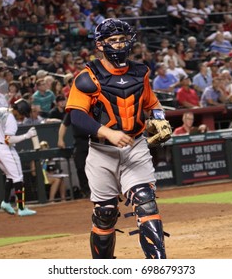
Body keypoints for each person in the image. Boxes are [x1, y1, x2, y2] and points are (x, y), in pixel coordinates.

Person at [66, 18, 170, 259]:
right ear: (100, 45)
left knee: (145, 201)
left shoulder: (140, 72)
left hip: (135, 146)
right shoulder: (87, 76)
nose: (119, 45)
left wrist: (159, 117)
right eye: (113, 40)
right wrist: (108, 132)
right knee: (105, 213)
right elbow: (77, 117)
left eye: (123, 39)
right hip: (102, 152)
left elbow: (151, 102)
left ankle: (159, 265)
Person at [0, 99, 37, 216]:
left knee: (10, 176)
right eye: (22, 114)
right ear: (18, 110)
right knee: (18, 177)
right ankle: (21, 208)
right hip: (6, 149)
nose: (22, 117)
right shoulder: (11, 120)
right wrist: (27, 136)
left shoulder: (0, 110)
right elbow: (8, 140)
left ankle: (5, 202)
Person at [57, 113, 90, 198]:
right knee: (80, 166)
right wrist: (60, 139)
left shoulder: (93, 106)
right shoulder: (73, 110)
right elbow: (64, 125)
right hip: (80, 142)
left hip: (94, 140)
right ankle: (86, 191)